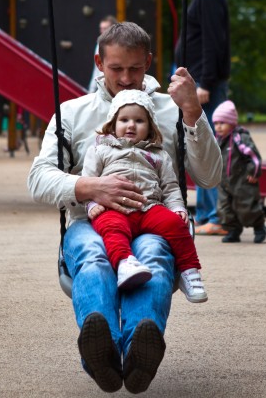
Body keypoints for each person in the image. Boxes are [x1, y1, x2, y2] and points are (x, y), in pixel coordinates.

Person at [28, 22, 221, 394]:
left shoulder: (171, 109)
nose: (127, 78)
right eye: (117, 69)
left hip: (153, 221)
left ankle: (137, 352)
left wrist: (193, 110)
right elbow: (37, 179)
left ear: (149, 62)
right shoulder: (72, 113)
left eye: (135, 68)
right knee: (93, 254)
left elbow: (210, 176)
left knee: (151, 252)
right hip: (92, 221)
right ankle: (102, 347)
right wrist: (88, 186)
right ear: (99, 62)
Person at [83, 89, 207, 303]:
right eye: (124, 120)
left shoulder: (158, 155)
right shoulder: (101, 150)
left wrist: (177, 207)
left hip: (150, 207)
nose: (131, 125)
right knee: (111, 229)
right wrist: (92, 203)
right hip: (115, 208)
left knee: (176, 225)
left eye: (139, 120)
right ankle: (125, 263)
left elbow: (170, 186)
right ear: (113, 124)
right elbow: (88, 181)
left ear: (150, 127)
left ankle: (190, 271)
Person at [173, 0, 230, 237]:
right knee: (199, 144)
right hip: (197, 81)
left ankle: (216, 215)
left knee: (207, 145)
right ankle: (210, 212)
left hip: (204, 84)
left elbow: (213, 41)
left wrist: (205, 82)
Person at [212, 100, 266, 244]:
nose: (218, 127)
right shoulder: (217, 139)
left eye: (222, 123)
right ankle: (233, 230)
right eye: (216, 123)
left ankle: (259, 226)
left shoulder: (239, 137)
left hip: (242, 180)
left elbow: (253, 156)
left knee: (246, 206)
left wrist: (254, 173)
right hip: (224, 181)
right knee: (224, 208)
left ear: (231, 123)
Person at [88, 15, 118, 92]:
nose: (102, 31)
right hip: (101, 86)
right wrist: (91, 90)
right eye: (101, 28)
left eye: (105, 28)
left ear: (112, 28)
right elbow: (96, 68)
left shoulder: (121, 44)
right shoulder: (99, 44)